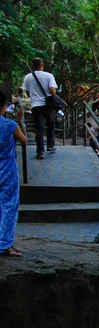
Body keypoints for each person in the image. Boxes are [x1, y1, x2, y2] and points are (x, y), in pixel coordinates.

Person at [0, 91, 28, 257]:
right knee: (9, 205)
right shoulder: (9, 125)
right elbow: (24, 140)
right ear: (3, 106)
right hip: (7, 168)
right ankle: (4, 244)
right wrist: (20, 120)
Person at [22, 57, 58, 160]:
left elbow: (28, 93)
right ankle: (50, 145)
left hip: (36, 106)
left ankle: (40, 152)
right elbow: (52, 91)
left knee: (39, 129)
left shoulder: (28, 77)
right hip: (48, 105)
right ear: (42, 65)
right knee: (51, 123)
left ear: (32, 65)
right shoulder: (49, 76)